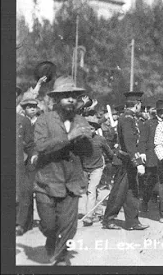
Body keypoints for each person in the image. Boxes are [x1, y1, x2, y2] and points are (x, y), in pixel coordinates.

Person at [32, 76, 94, 265]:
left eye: (74, 97)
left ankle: (60, 258)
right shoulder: (44, 120)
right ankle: (52, 240)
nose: (71, 100)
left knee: (69, 227)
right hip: (47, 181)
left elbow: (88, 153)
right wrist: (69, 138)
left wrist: (85, 140)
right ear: (57, 99)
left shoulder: (81, 120)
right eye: (66, 96)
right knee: (50, 226)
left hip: (72, 183)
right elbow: (41, 147)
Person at [102, 92, 149, 231]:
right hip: (124, 161)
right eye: (140, 104)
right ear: (137, 104)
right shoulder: (127, 119)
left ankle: (132, 221)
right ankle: (109, 220)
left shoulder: (129, 117)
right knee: (119, 192)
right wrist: (138, 162)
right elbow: (129, 143)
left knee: (132, 192)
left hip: (129, 161)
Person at [80, 116, 114, 226]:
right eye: (87, 128)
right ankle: (99, 211)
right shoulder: (80, 140)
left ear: (95, 130)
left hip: (97, 168)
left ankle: (88, 216)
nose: (90, 131)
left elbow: (109, 152)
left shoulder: (100, 139)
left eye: (92, 129)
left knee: (91, 190)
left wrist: (115, 161)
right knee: (92, 190)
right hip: (84, 168)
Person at [140, 99, 163, 213]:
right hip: (152, 157)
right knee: (150, 181)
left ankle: (160, 205)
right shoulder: (149, 124)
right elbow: (143, 140)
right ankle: (145, 202)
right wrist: (142, 153)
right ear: (158, 112)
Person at [16, 103, 36, 236]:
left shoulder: (23, 121)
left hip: (17, 163)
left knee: (19, 193)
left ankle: (18, 224)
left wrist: (34, 155)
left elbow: (29, 143)